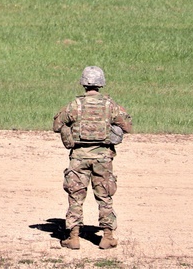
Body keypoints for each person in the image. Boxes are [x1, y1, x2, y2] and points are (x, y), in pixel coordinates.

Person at [52, 66, 133, 251]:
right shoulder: (109, 105)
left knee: (75, 197)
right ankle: (107, 237)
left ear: (83, 83)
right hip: (103, 159)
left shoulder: (75, 105)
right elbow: (127, 126)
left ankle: (73, 237)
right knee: (104, 197)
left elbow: (57, 124)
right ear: (101, 83)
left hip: (78, 158)